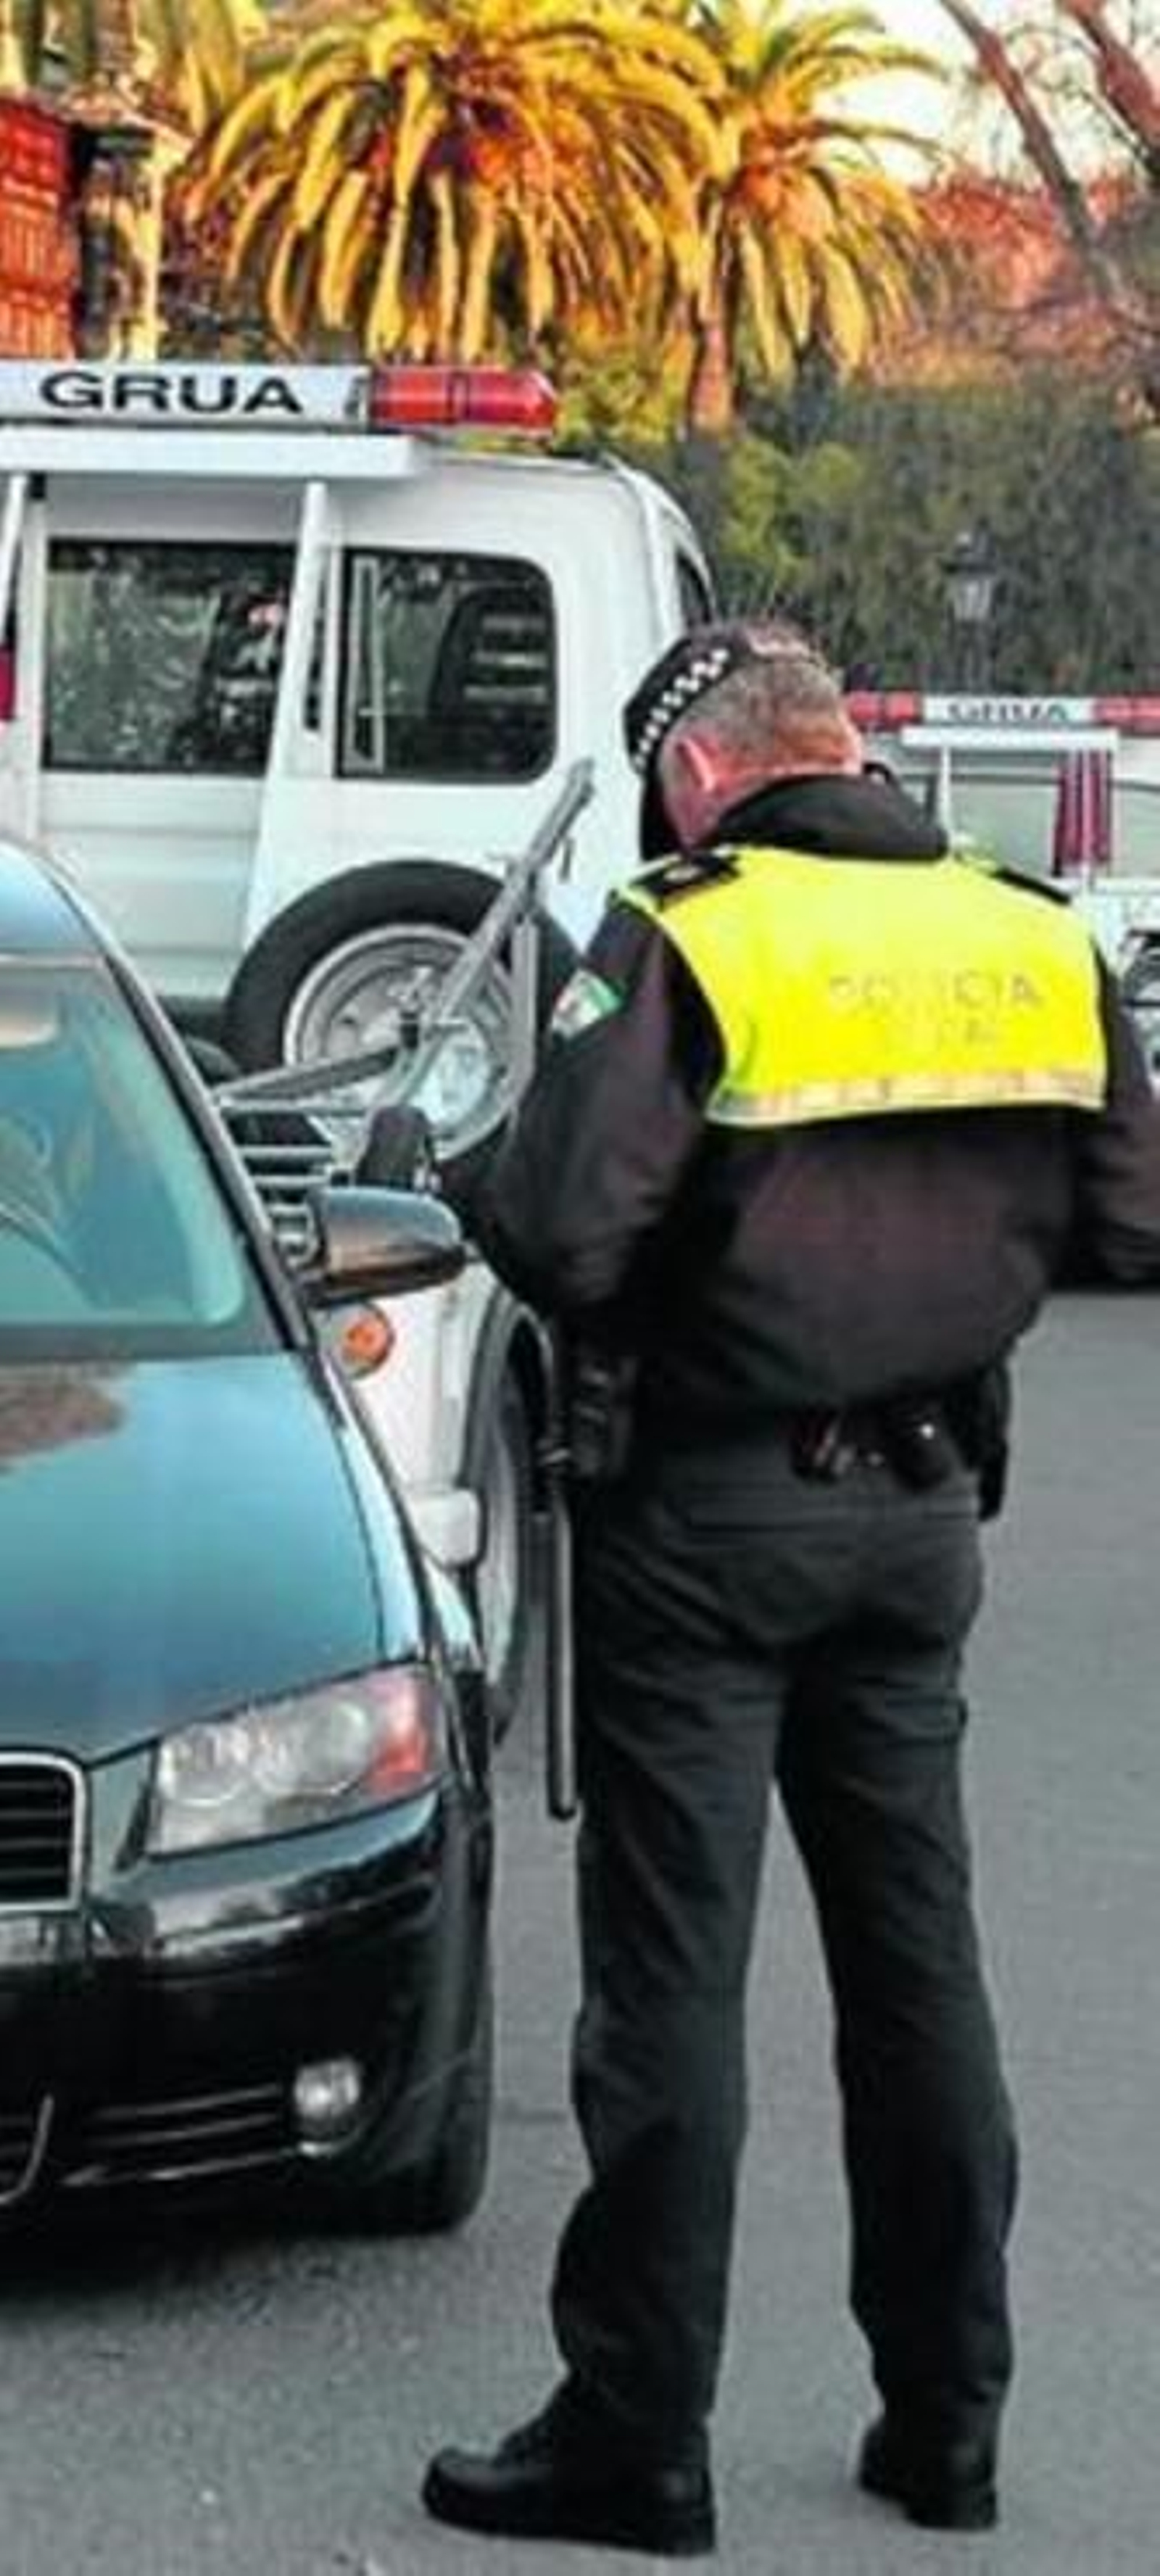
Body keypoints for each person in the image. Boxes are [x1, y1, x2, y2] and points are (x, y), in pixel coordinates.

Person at [422, 621, 1160, 2559]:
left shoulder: (693, 929)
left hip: (707, 1522)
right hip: (925, 1516)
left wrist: (485, 1161)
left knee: (671, 1986)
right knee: (920, 1973)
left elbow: (562, 1232)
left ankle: (637, 2439)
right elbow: (1134, 1213)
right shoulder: (1034, 927)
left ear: (697, 774)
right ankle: (950, 2422)